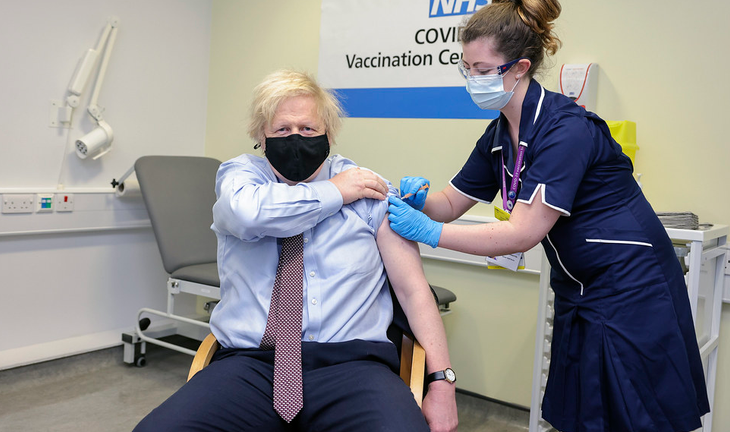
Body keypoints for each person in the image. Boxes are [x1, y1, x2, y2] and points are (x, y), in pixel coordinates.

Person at [386, 1, 709, 432]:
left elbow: (521, 233)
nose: (472, 80)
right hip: (579, 287)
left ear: (519, 68)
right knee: (583, 413)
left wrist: (429, 232)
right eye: (466, 68)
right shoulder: (500, 134)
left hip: (630, 286)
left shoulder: (566, 129)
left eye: (483, 69)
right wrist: (419, 200)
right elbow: (451, 201)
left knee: (637, 414)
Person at [134, 70, 458, 432]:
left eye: (307, 129)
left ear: (329, 134)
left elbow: (413, 291)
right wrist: (335, 192)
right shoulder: (240, 179)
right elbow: (248, 214)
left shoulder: (367, 186)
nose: (296, 139)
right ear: (261, 136)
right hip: (250, 366)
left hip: (354, 367)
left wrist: (442, 384)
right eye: (282, 130)